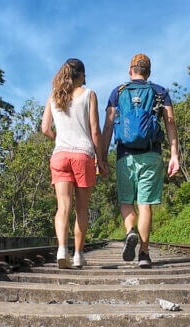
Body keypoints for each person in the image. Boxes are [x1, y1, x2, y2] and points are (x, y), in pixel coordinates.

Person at [99, 53, 180, 268]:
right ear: (148, 72)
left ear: (130, 70)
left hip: (125, 155)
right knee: (145, 205)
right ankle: (144, 254)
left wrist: (102, 157)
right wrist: (174, 155)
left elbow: (108, 126)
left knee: (126, 201)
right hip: (151, 153)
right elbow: (170, 124)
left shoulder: (118, 92)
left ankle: (129, 231)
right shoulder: (159, 92)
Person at [41, 58, 104, 269]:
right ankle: (78, 255)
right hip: (83, 155)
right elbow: (95, 130)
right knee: (82, 209)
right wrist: (101, 158)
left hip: (60, 155)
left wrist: (59, 140)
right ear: (82, 75)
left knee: (63, 207)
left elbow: (45, 129)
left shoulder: (54, 96)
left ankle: (61, 250)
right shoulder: (89, 94)